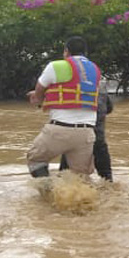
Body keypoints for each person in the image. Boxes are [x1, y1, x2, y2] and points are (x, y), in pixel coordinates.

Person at [26, 36, 102, 177]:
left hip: (59, 130)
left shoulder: (56, 66)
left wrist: (39, 100)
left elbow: (39, 89)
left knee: (35, 159)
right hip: (86, 133)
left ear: (66, 51)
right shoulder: (95, 70)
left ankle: (48, 194)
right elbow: (76, 92)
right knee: (80, 178)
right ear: (85, 53)